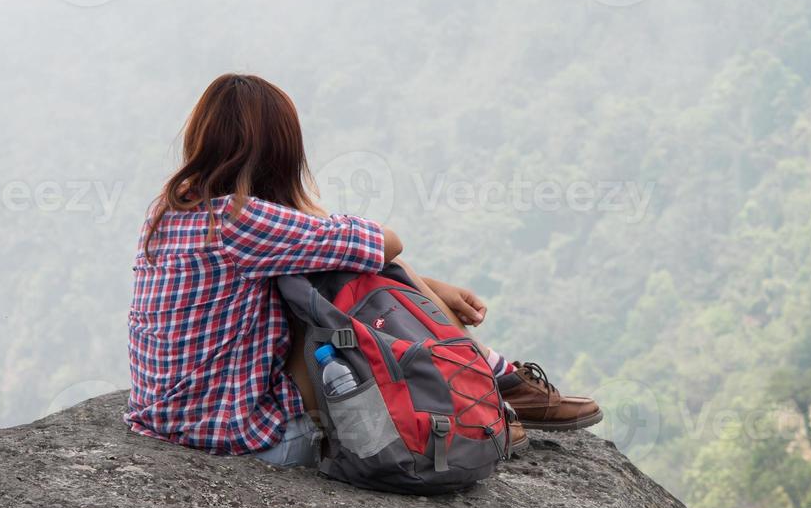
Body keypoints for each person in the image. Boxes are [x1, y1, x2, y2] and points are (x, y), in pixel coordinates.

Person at [126, 73, 601, 470]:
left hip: (165, 419)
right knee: (363, 266)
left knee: (333, 266)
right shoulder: (240, 220)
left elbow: (326, 250)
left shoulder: (170, 210)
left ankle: (489, 382)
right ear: (279, 152)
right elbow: (385, 241)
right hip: (241, 436)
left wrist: (427, 286)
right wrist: (410, 277)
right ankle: (487, 384)